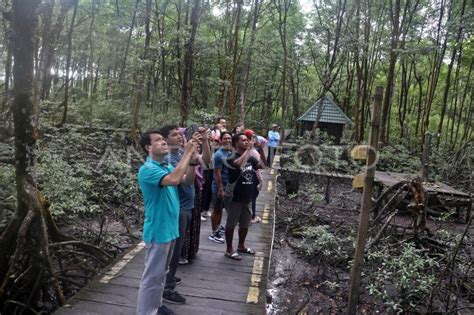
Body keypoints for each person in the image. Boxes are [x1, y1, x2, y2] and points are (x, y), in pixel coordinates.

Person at [136, 130, 198, 315]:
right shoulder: (148, 169)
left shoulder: (165, 166)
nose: (163, 142)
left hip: (169, 229)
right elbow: (174, 180)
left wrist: (193, 160)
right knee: (152, 276)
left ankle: (156, 306)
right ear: (148, 148)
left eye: (164, 140)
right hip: (158, 229)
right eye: (158, 140)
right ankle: (146, 312)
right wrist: (187, 152)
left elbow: (187, 180)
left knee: (161, 273)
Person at [160, 124, 211, 305]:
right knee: (173, 252)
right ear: (165, 139)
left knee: (177, 248)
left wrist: (204, 141)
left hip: (187, 206)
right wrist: (190, 154)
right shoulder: (166, 158)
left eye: (180, 134)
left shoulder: (182, 152)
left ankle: (170, 278)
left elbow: (206, 162)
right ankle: (167, 288)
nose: (180, 137)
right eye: (175, 135)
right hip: (177, 209)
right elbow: (178, 180)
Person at [224, 133, 265, 260]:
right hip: (235, 197)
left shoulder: (251, 158)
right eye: (243, 140)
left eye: (247, 141)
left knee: (245, 225)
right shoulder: (230, 156)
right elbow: (238, 164)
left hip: (247, 197)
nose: (247, 142)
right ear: (236, 143)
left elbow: (263, 166)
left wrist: (261, 150)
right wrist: (249, 150)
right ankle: (229, 249)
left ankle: (241, 246)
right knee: (231, 225)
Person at [208, 131, 233, 243]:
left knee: (221, 209)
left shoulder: (229, 152)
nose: (228, 140)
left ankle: (218, 227)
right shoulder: (219, 154)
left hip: (227, 185)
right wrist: (220, 189)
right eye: (225, 139)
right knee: (217, 210)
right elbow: (217, 173)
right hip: (219, 186)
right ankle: (214, 232)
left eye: (229, 138)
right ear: (221, 140)